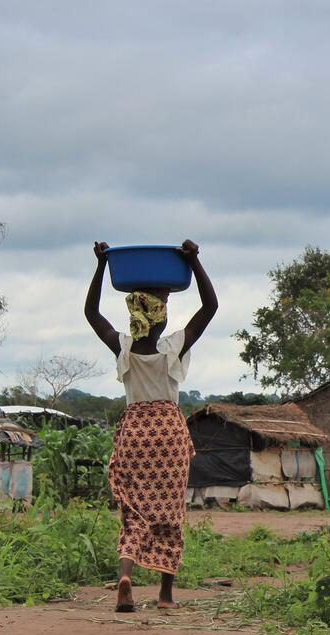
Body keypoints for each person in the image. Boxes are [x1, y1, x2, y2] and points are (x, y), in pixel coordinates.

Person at [85, 239, 218, 611]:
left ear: (134, 317)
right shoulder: (172, 347)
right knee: (170, 514)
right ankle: (164, 596)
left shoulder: (124, 348)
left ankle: (125, 575)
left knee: (134, 512)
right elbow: (211, 306)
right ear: (160, 317)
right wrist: (194, 262)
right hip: (168, 435)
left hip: (134, 433)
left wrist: (100, 266)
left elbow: (91, 313)